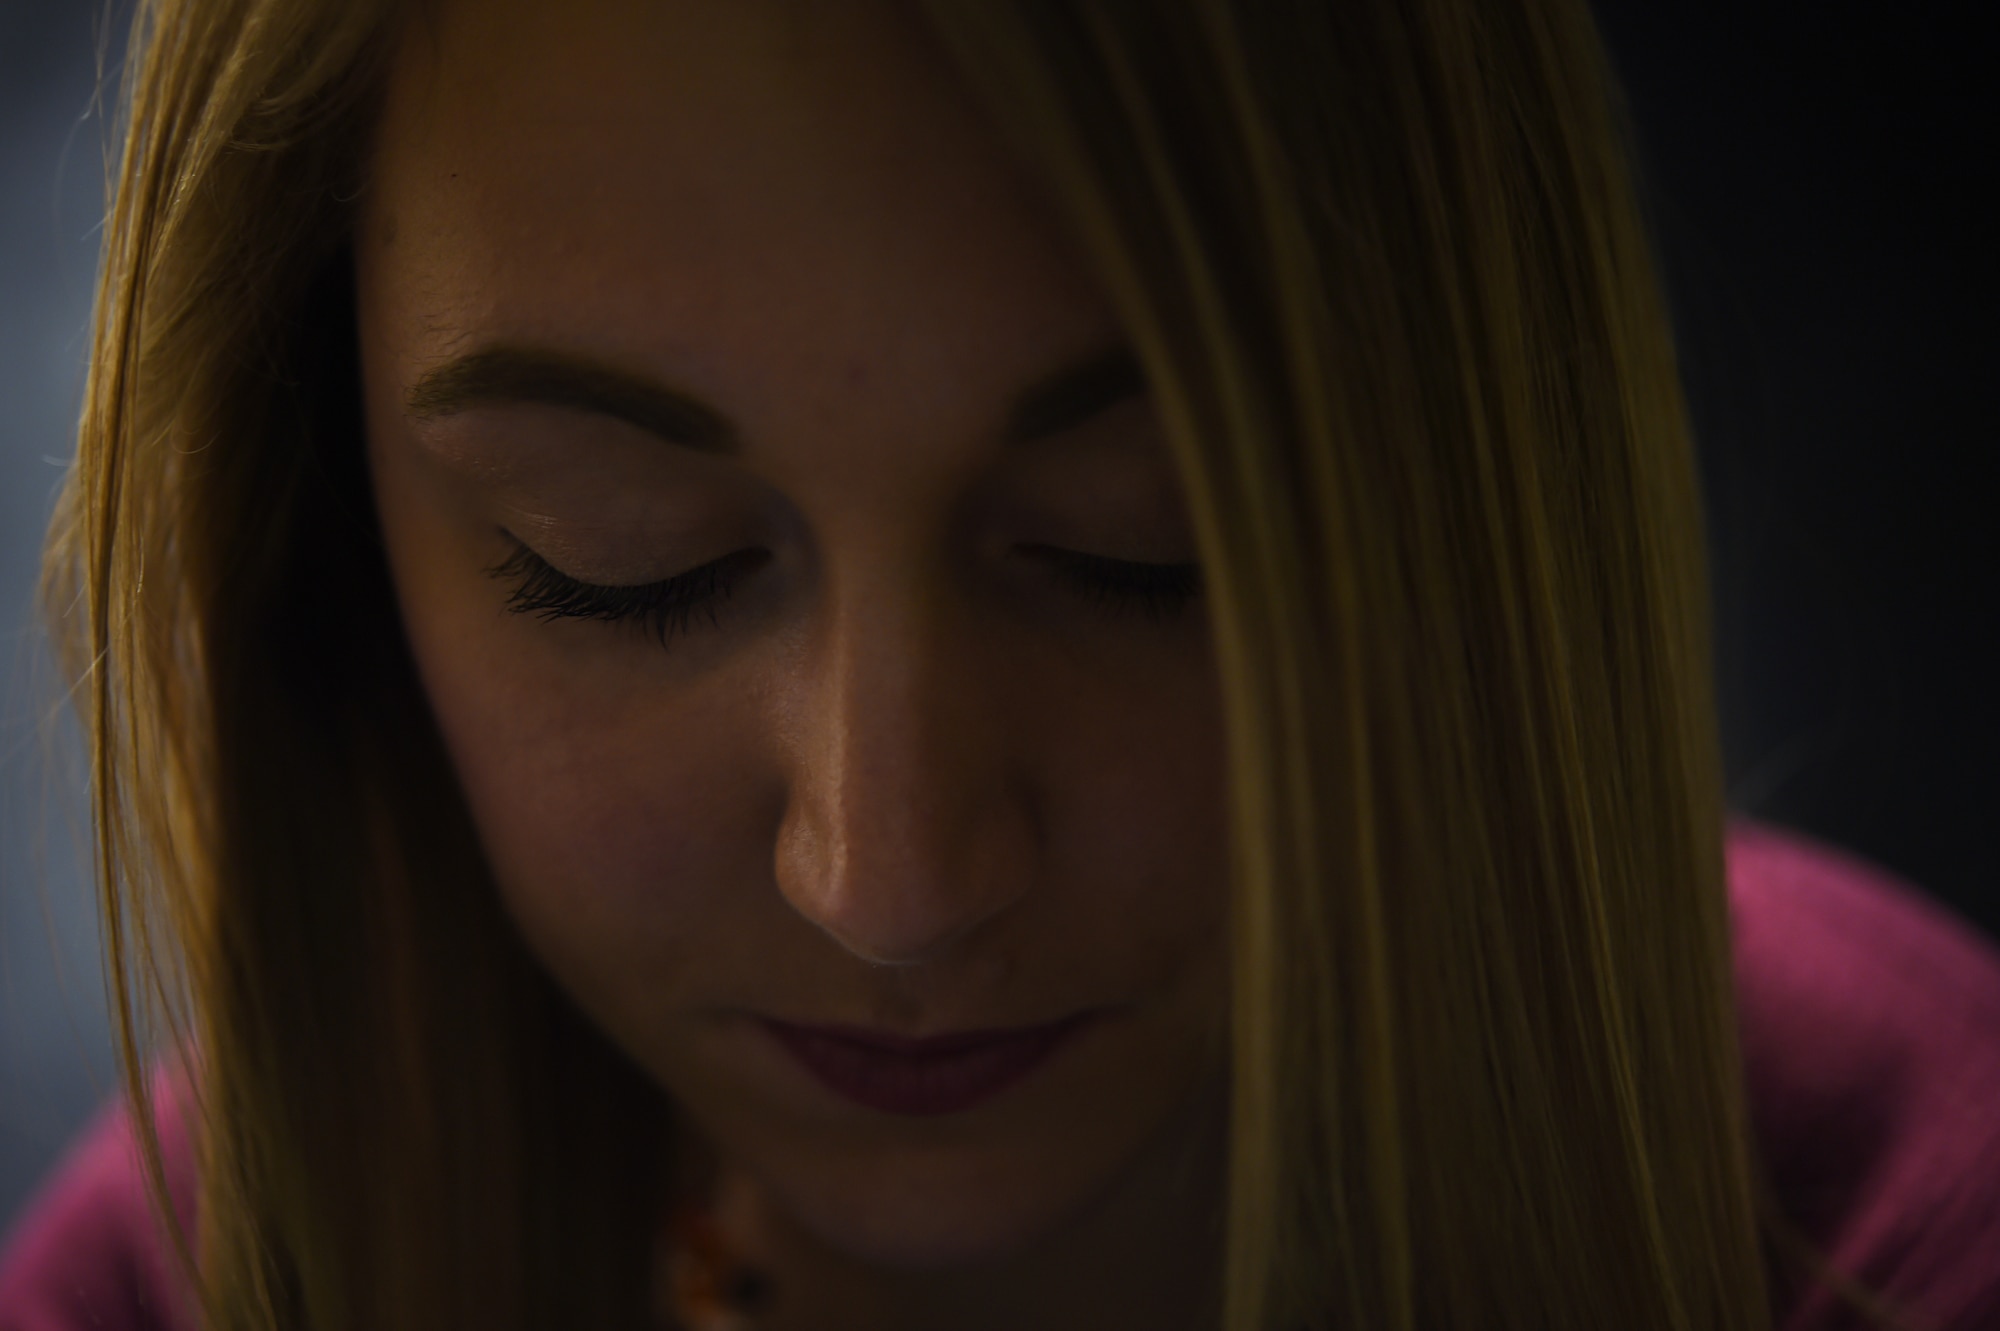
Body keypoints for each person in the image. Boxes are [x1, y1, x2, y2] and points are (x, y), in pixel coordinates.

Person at [2, 0, 1997, 1328]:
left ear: (1475, 485)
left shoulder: (1909, 1236)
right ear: (327, 535)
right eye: (620, 566)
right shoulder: (183, 1286)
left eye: (1134, 551)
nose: (890, 876)